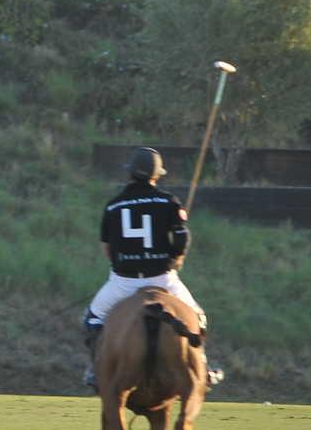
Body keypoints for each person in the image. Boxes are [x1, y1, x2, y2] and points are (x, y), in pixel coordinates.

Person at [81, 147, 223, 388]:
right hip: (163, 279)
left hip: (123, 282)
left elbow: (107, 248)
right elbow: (181, 238)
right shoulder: (168, 201)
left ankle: (97, 369)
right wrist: (177, 258)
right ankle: (203, 367)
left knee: (92, 319)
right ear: (157, 175)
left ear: (129, 174)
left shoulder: (113, 206)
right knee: (198, 318)